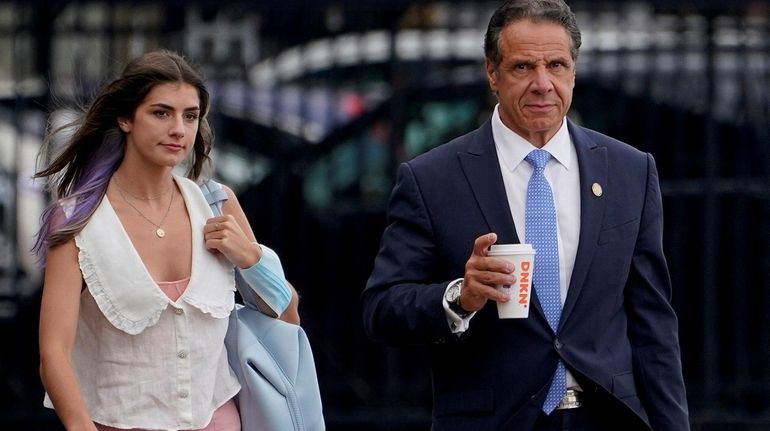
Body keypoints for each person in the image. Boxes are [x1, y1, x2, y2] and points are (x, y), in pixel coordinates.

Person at [362, 1, 690, 430]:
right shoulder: (433, 179)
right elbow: (382, 310)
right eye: (522, 68)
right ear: (492, 74)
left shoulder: (629, 171)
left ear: (573, 71)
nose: (542, 84)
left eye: (556, 65)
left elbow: (653, 324)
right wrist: (460, 296)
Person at [34, 49, 298, 431]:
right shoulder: (80, 218)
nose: (179, 129)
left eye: (190, 116)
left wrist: (252, 260)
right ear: (125, 118)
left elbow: (288, 318)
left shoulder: (217, 204)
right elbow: (53, 352)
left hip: (218, 420)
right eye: (161, 113)